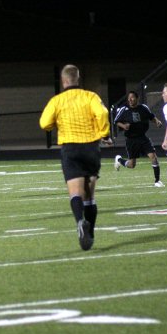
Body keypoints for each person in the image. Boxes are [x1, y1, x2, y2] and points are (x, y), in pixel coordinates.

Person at [39, 64, 111, 251]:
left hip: (70, 147)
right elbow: (102, 113)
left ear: (64, 81)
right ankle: (91, 232)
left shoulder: (57, 100)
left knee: (75, 193)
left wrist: (55, 124)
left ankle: (80, 222)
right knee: (90, 196)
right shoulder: (90, 96)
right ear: (78, 79)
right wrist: (104, 133)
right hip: (91, 147)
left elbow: (44, 123)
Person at [112, 90, 163, 187]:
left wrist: (157, 121)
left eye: (132, 97)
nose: (130, 100)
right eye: (129, 98)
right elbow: (116, 121)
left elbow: (151, 117)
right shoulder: (124, 109)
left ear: (137, 98)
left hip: (143, 138)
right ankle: (119, 160)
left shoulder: (143, 108)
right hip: (131, 140)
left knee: (153, 157)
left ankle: (157, 181)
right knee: (131, 165)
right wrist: (124, 126)